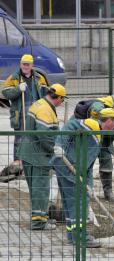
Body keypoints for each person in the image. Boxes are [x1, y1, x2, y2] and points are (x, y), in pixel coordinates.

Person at [50, 108, 114, 248]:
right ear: (109, 120)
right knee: (78, 203)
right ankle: (81, 238)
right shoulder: (90, 125)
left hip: (73, 169)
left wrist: (89, 184)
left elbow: (88, 162)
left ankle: (72, 236)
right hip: (67, 167)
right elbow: (70, 126)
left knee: (71, 203)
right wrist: (59, 145)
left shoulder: (99, 133)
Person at [17, 84, 67, 230]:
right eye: (62, 100)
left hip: (28, 153)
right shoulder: (45, 110)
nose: (61, 103)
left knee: (35, 189)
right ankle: (39, 223)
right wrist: (54, 149)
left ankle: (41, 217)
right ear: (58, 98)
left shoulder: (39, 103)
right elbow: (44, 136)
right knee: (41, 189)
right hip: (38, 156)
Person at [2, 54, 48, 163]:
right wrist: (18, 89)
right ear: (20, 64)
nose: (25, 66)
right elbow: (5, 93)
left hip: (36, 114)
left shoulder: (39, 78)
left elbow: (46, 92)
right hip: (20, 114)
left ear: (32, 65)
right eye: (23, 64)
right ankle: (18, 163)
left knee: (35, 137)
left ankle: (33, 161)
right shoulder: (13, 78)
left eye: (28, 64)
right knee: (20, 139)